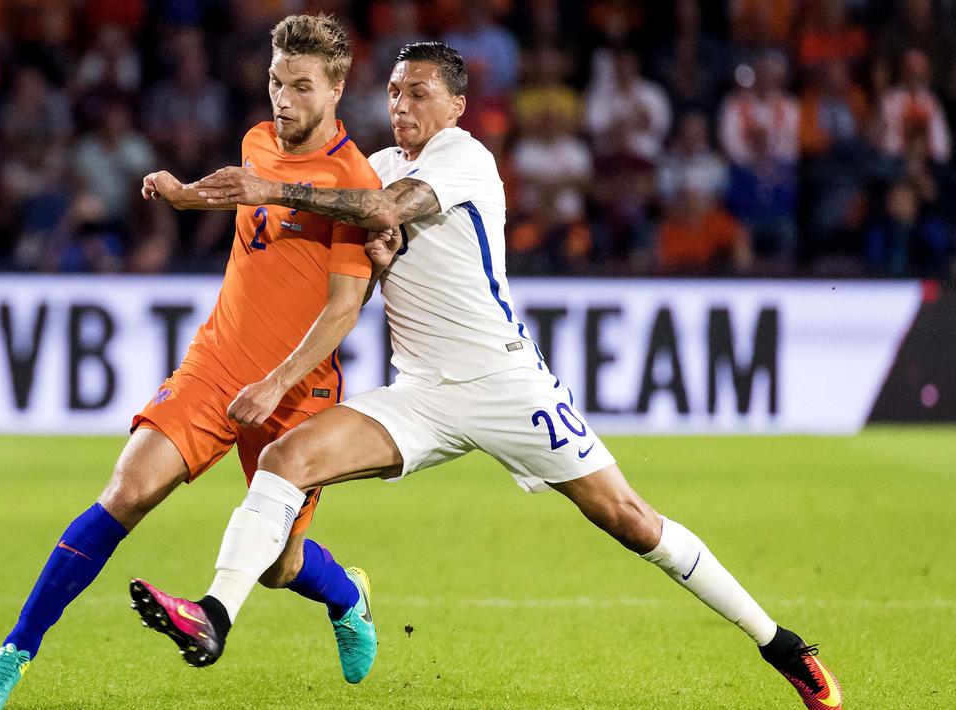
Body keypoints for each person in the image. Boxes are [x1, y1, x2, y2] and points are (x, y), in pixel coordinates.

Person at [132, 42, 844, 710]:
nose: (401, 106)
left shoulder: (463, 158)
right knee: (287, 461)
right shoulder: (373, 165)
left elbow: (383, 210)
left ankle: (780, 646)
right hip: (420, 393)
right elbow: (355, 249)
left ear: (456, 106)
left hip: (506, 385)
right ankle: (215, 616)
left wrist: (269, 189)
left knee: (628, 520)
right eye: (392, 92)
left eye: (418, 93)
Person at [0, 15, 383, 709]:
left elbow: (344, 308)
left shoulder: (353, 182)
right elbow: (243, 201)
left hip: (296, 389)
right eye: (275, 81)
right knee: (127, 489)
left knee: (279, 566)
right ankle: (15, 651)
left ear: (337, 88)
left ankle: (346, 597)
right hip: (216, 362)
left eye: (301, 87)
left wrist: (276, 380)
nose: (283, 100)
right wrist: (184, 192)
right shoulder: (258, 138)